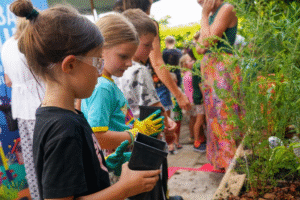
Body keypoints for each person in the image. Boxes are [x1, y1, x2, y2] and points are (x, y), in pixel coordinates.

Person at [10, 0, 160, 199]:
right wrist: (125, 188)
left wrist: (102, 165)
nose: (100, 73)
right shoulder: (63, 129)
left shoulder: (64, 115)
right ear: (70, 65)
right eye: (98, 61)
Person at [113, 0, 191, 114]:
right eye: (147, 44)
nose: (151, 48)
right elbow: (157, 62)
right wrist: (178, 95)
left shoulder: (122, 23)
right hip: (154, 87)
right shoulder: (147, 25)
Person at [1, 17, 45, 199]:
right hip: (42, 105)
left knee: (31, 165)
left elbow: (8, 81)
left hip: (21, 108)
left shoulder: (8, 44)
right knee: (47, 164)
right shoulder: (34, 43)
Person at [196, 0, 243, 170]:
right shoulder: (213, 14)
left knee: (224, 115)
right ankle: (223, 161)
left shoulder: (226, 8)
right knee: (215, 115)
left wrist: (203, 15)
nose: (199, 2)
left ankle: (231, 163)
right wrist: (206, 16)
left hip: (222, 68)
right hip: (214, 69)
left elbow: (204, 44)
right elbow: (200, 48)